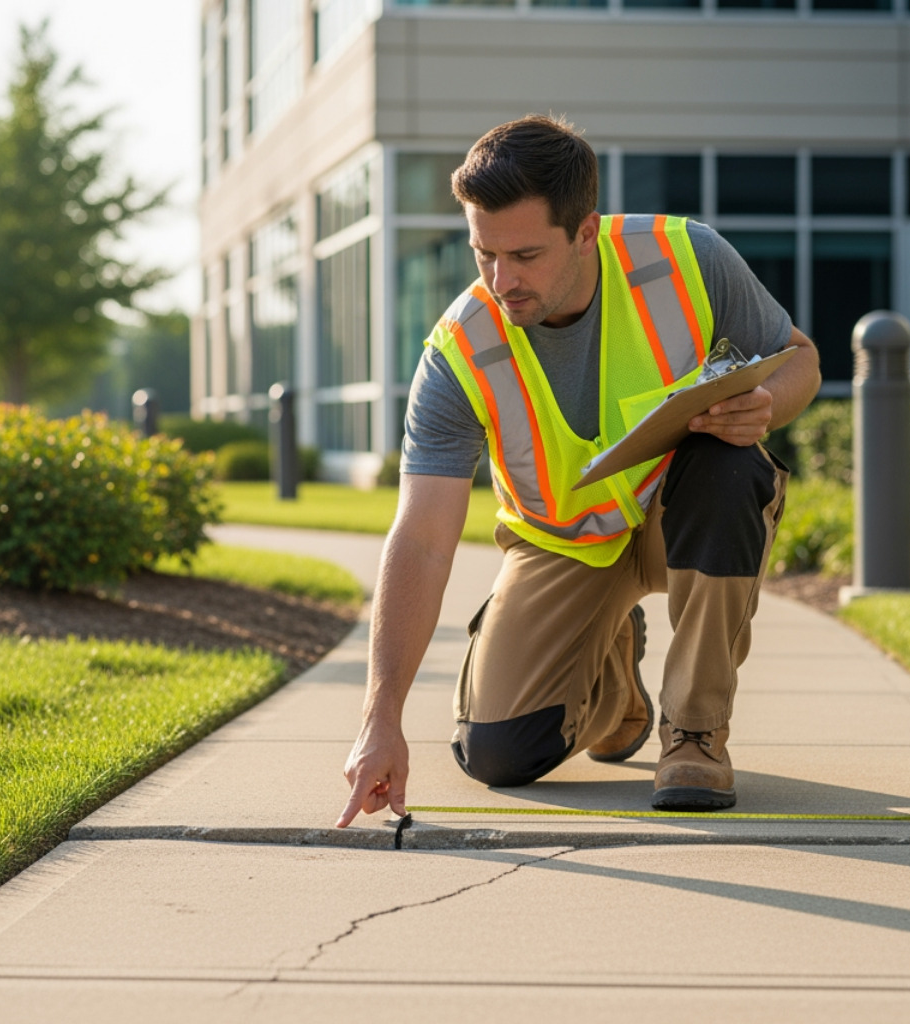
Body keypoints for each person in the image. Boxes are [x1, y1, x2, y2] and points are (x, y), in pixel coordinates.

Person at [336, 115, 821, 827]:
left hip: (679, 517)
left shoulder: (686, 258)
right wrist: (380, 718)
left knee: (729, 466)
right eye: (483, 254)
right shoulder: (459, 350)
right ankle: (615, 682)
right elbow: (423, 539)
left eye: (526, 255)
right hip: (562, 544)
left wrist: (765, 406)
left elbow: (800, 359)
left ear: (587, 232)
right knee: (497, 754)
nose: (503, 281)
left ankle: (694, 733)